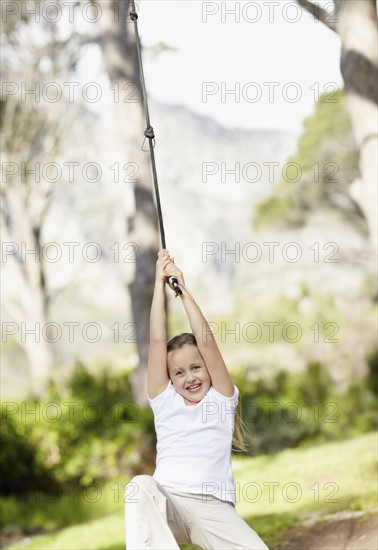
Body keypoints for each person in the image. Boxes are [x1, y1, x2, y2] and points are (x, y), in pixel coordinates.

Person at [125, 249, 269, 550]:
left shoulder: (221, 400)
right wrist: (157, 282)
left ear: (207, 367)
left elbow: (206, 340)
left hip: (213, 509)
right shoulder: (165, 402)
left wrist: (181, 291)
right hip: (169, 502)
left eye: (195, 367)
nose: (189, 377)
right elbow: (155, 339)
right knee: (139, 487)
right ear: (170, 378)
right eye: (178, 372)